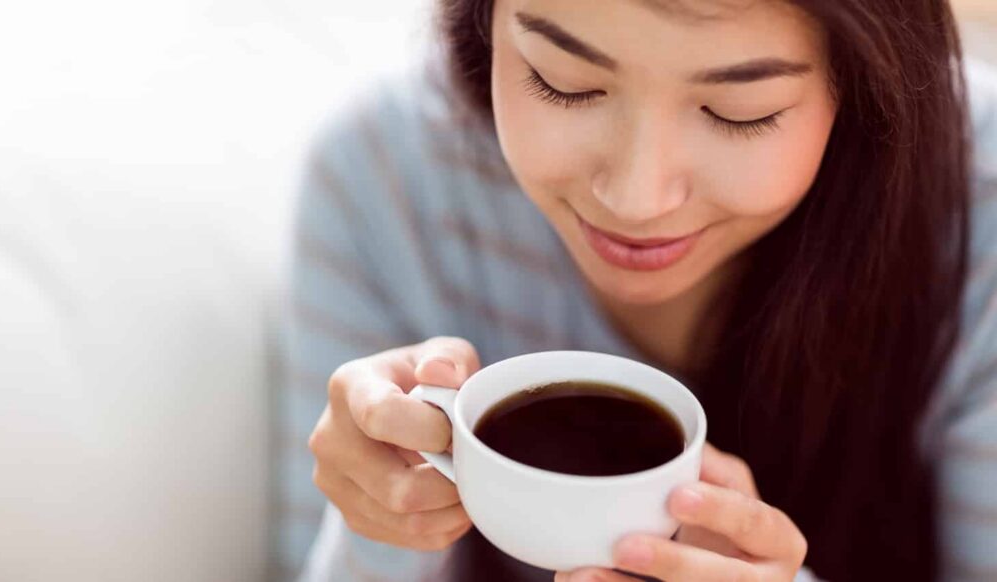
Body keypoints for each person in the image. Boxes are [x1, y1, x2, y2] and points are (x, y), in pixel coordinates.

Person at [282, 0, 997, 580]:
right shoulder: (384, 179)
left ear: (864, 86)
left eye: (738, 110)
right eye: (563, 81)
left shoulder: (982, 218)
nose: (635, 198)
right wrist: (382, 520)